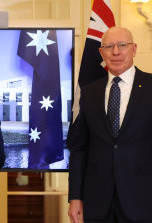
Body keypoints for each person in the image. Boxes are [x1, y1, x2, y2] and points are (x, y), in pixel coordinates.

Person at [68, 26, 152, 223]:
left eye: (122, 45)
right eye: (109, 46)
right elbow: (80, 149)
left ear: (134, 49)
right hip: (97, 201)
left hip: (143, 198)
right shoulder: (89, 93)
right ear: (101, 52)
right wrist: (75, 197)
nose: (116, 52)